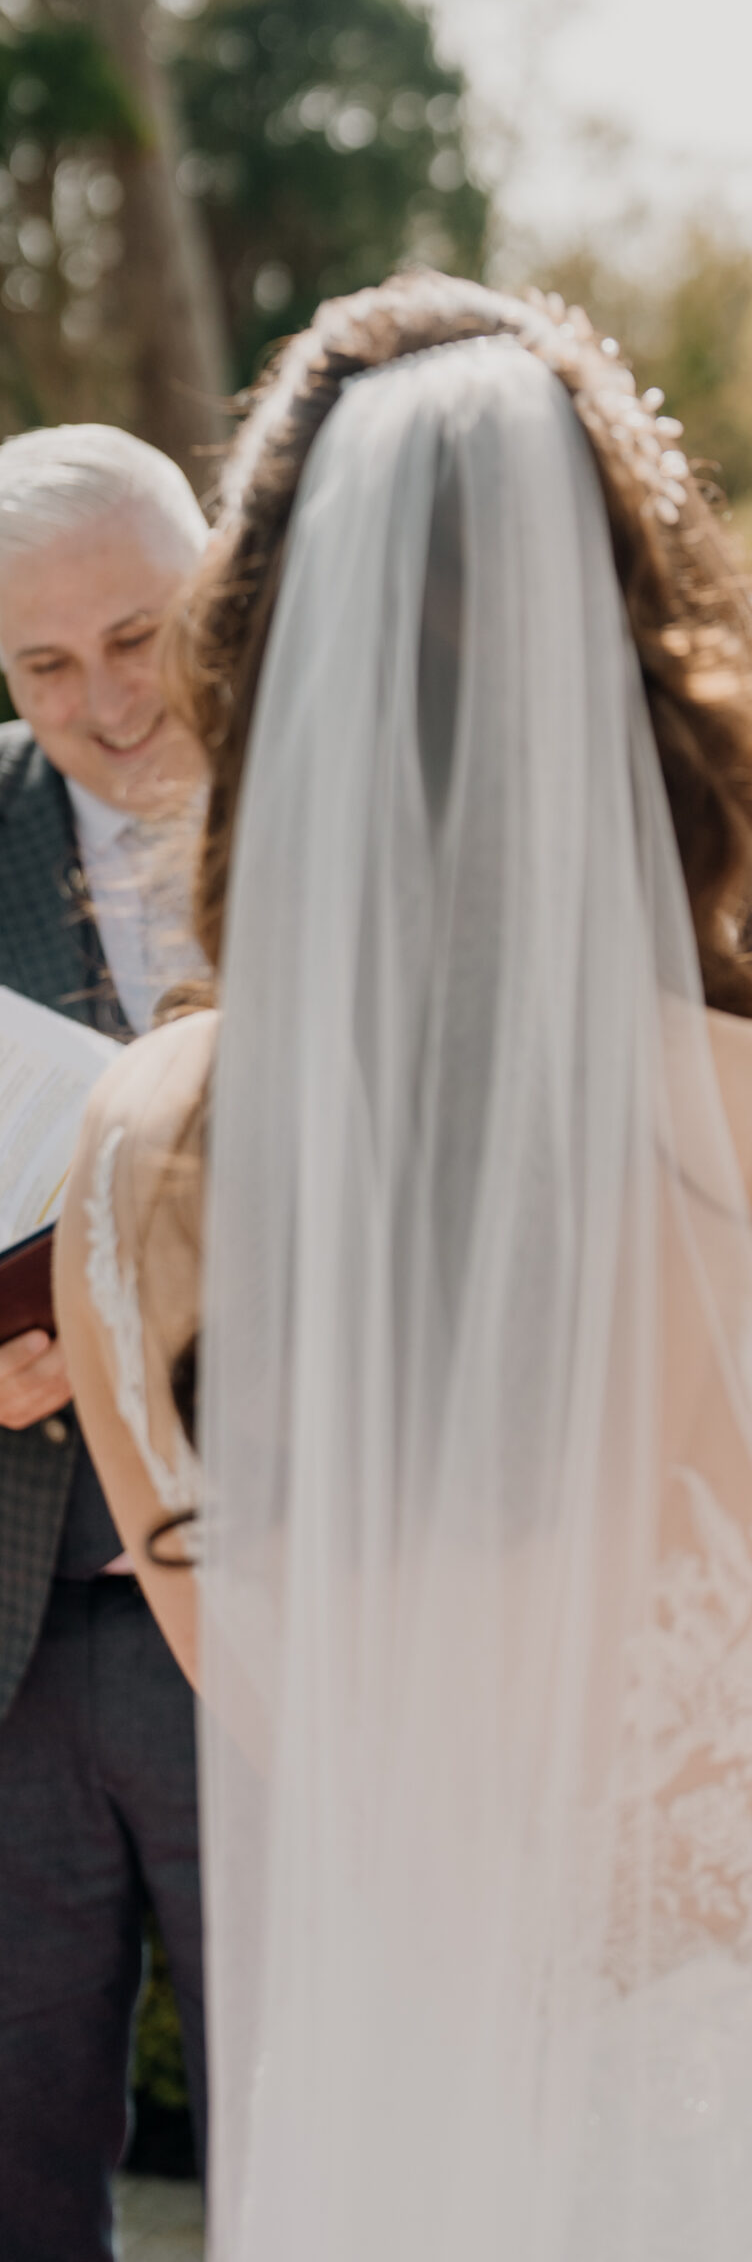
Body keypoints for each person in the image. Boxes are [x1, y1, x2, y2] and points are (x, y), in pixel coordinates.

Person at [52, 274, 752, 2262]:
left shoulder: (134, 1164)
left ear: (262, 677)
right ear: (667, 660)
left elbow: (306, 1730)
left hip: (413, 2142)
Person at [0, 425, 209, 2261]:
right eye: (46, 666)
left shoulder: (363, 813)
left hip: (272, 1598)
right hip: (8, 1620)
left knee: (325, 2126)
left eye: (139, 637)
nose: (107, 703)